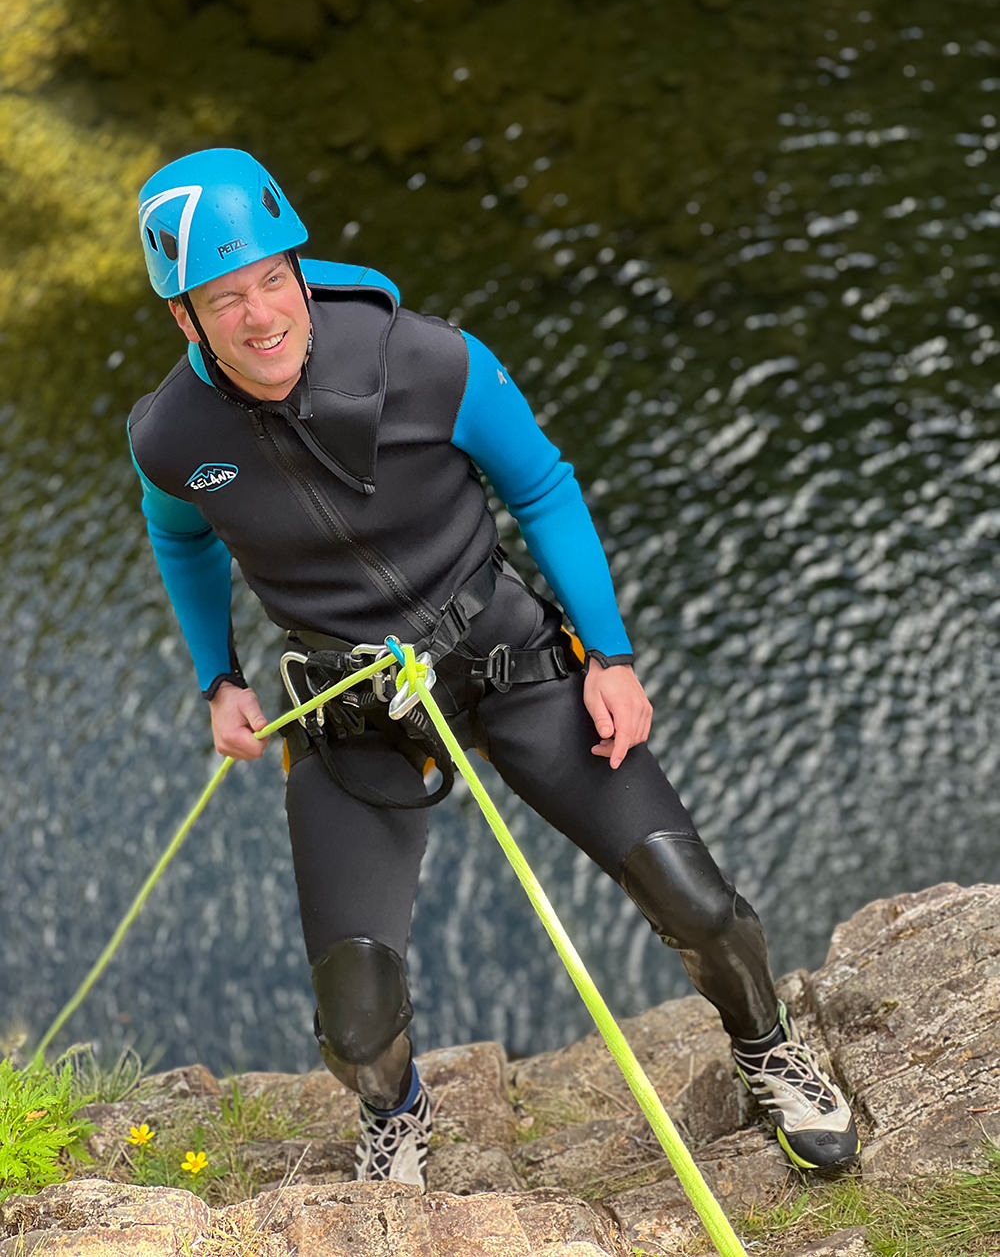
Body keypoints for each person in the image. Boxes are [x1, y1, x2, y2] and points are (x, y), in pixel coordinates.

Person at [128, 147, 859, 1189]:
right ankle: (398, 1113)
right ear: (184, 319)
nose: (260, 316)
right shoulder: (170, 436)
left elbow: (546, 489)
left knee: (691, 895)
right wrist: (220, 677)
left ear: (298, 267)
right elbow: (182, 539)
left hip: (506, 654)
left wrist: (608, 654)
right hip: (352, 711)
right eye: (222, 298)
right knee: (353, 1016)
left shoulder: (430, 361)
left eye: (272, 280)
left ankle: (766, 1048)